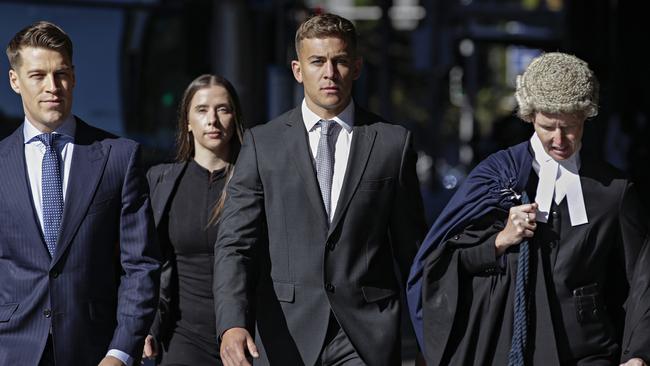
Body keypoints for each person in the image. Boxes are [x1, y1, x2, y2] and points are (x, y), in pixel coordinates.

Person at [407, 52, 650, 365]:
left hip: (588, 352)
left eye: (570, 126)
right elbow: (444, 263)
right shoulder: (496, 176)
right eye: (548, 126)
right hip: (509, 349)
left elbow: (642, 278)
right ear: (530, 116)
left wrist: (638, 354)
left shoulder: (614, 190)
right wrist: (499, 241)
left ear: (586, 116)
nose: (560, 139)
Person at [214, 13, 426, 366]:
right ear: (298, 70)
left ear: (356, 67)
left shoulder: (392, 143)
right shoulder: (262, 144)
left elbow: (414, 250)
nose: (329, 72)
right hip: (286, 334)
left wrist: (426, 336)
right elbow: (236, 244)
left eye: (340, 61)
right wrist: (232, 323)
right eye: (317, 62)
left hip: (365, 335)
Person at [0, 21, 160, 366]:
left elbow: (142, 265)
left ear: (73, 76)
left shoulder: (119, 156)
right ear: (15, 81)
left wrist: (120, 352)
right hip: (12, 351)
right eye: (38, 75)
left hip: (96, 351)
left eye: (61, 74)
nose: (52, 87)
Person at [142, 74, 245, 365]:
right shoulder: (160, 182)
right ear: (187, 121)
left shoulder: (253, 181)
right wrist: (146, 326)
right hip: (182, 335)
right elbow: (149, 263)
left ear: (235, 117)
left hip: (246, 335)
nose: (212, 119)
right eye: (201, 110)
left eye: (222, 109)